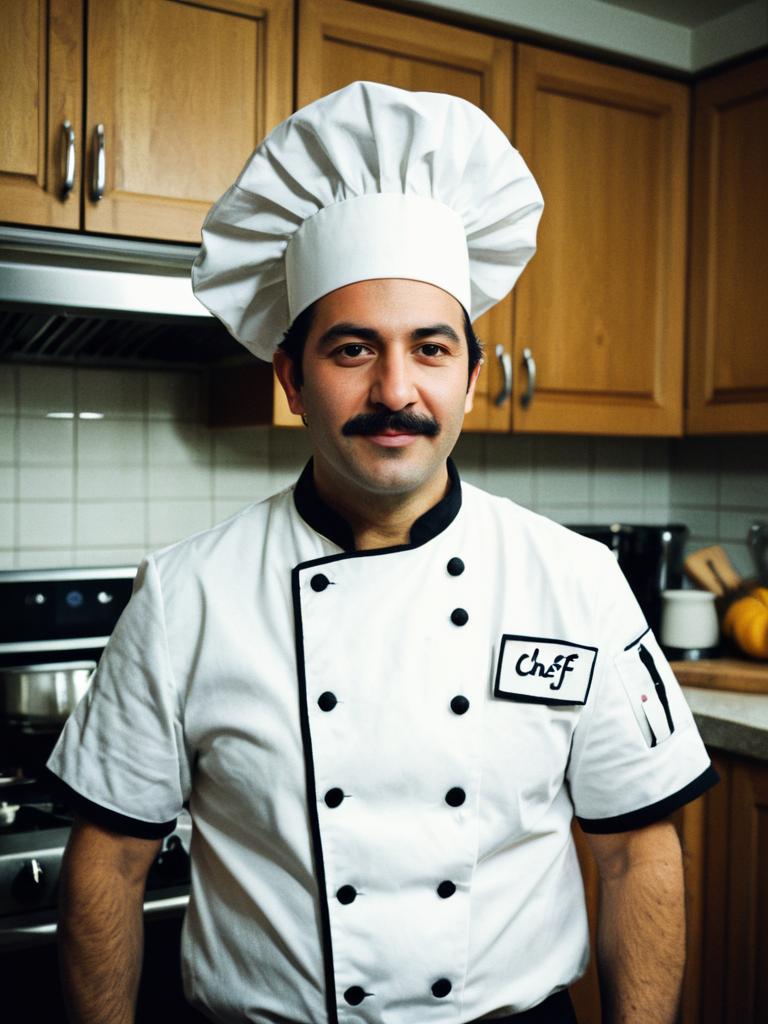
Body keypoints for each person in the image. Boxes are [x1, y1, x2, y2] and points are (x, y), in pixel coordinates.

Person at [49, 81, 718, 1024]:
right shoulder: (185, 596)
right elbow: (108, 862)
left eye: (432, 350)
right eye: (354, 349)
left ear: (475, 380)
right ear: (291, 378)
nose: (395, 389)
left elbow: (637, 851)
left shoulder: (575, 581)